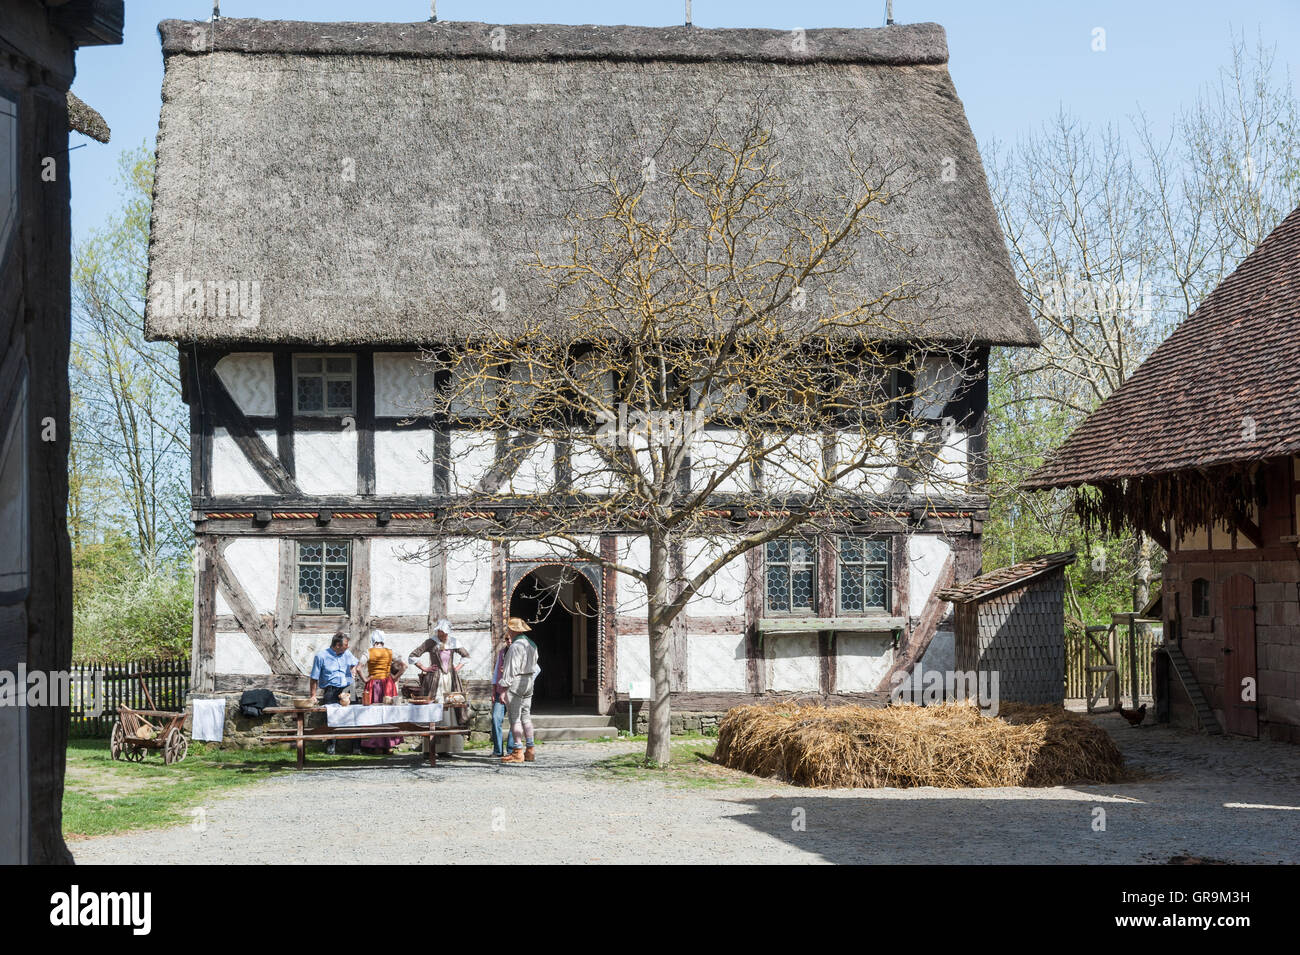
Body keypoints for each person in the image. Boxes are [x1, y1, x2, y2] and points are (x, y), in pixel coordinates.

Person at [308, 632, 358, 755]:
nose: (347, 647)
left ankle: (356, 747)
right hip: (331, 690)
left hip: (348, 688)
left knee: (355, 715)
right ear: (337, 645)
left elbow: (355, 663)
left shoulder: (347, 654)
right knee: (331, 718)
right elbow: (314, 677)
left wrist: (353, 669)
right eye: (345, 644)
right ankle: (331, 746)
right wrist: (313, 695)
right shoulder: (321, 656)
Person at [499, 617, 539, 764]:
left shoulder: (516, 646)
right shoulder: (532, 644)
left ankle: (517, 751)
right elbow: (535, 665)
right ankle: (530, 750)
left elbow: (511, 669)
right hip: (529, 681)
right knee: (526, 717)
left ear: (513, 630)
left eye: (509, 628)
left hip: (516, 682)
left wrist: (503, 688)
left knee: (514, 718)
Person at [359, 632, 402, 755]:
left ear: (373, 641)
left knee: (373, 713)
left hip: (373, 684)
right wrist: (394, 678)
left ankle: (376, 745)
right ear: (383, 640)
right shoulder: (390, 652)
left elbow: (358, 668)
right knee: (389, 713)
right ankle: (388, 746)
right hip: (388, 684)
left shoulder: (368, 652)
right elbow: (404, 666)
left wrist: (365, 679)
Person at [490, 631, 516, 759]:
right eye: (507, 639)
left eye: (511, 639)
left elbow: (535, 670)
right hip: (500, 691)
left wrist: (526, 684)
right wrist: (494, 690)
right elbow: (496, 673)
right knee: (495, 718)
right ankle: (498, 750)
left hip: (514, 692)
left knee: (514, 721)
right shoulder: (502, 653)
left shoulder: (519, 652)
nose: (509, 641)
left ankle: (511, 750)